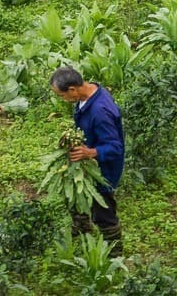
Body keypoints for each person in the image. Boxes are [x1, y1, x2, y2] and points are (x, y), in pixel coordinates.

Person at [50, 65, 124, 257]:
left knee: (103, 210)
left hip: (103, 169)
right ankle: (82, 227)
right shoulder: (89, 94)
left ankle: (115, 254)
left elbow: (115, 147)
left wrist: (90, 152)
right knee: (76, 195)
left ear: (72, 89)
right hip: (87, 160)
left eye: (62, 95)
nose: (62, 99)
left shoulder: (100, 111)